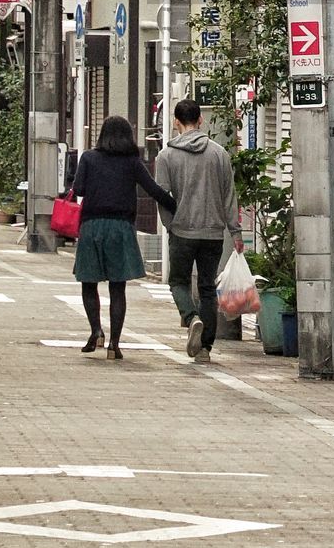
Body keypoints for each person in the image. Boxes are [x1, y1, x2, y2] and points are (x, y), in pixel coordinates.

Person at [72, 116, 174, 361]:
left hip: (92, 226)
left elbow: (79, 189)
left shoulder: (88, 158)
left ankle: (96, 331)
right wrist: (176, 206)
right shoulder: (132, 162)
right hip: (121, 228)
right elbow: (153, 190)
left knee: (89, 282)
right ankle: (114, 345)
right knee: (118, 288)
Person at [155, 98, 242, 365]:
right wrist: (235, 232)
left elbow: (162, 195)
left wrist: (171, 224)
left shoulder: (166, 156)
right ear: (201, 120)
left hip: (182, 231)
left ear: (176, 122)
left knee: (178, 282)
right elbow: (229, 196)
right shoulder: (219, 154)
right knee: (207, 287)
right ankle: (205, 348)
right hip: (214, 233)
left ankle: (192, 318)